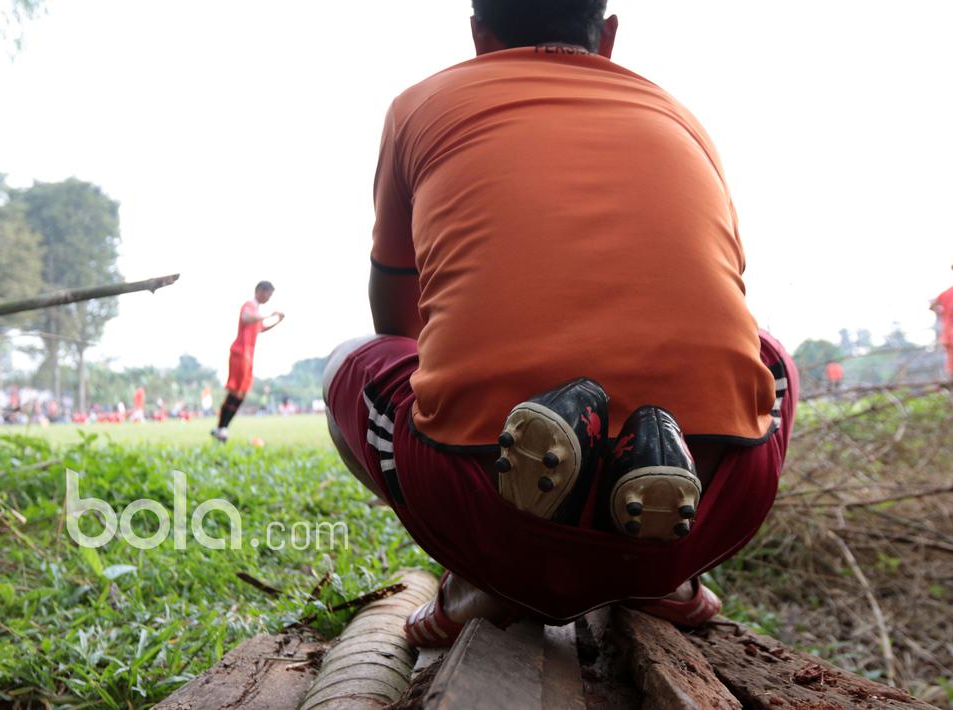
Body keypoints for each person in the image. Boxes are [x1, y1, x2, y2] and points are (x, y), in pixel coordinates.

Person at [323, 0, 797, 647]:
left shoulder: (419, 105)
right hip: (720, 499)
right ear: (607, 35)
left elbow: (397, 325)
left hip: (480, 508)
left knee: (350, 360)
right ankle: (661, 553)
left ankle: (485, 572)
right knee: (769, 354)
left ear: (477, 36)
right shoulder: (676, 114)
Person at [211, 281, 284, 442]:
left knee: (242, 394)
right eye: (268, 294)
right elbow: (246, 317)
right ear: (260, 291)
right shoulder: (250, 306)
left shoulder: (257, 313)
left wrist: (277, 320)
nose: (268, 298)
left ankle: (222, 428)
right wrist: (270, 314)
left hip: (249, 356)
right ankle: (221, 428)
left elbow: (261, 328)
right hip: (240, 353)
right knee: (235, 392)